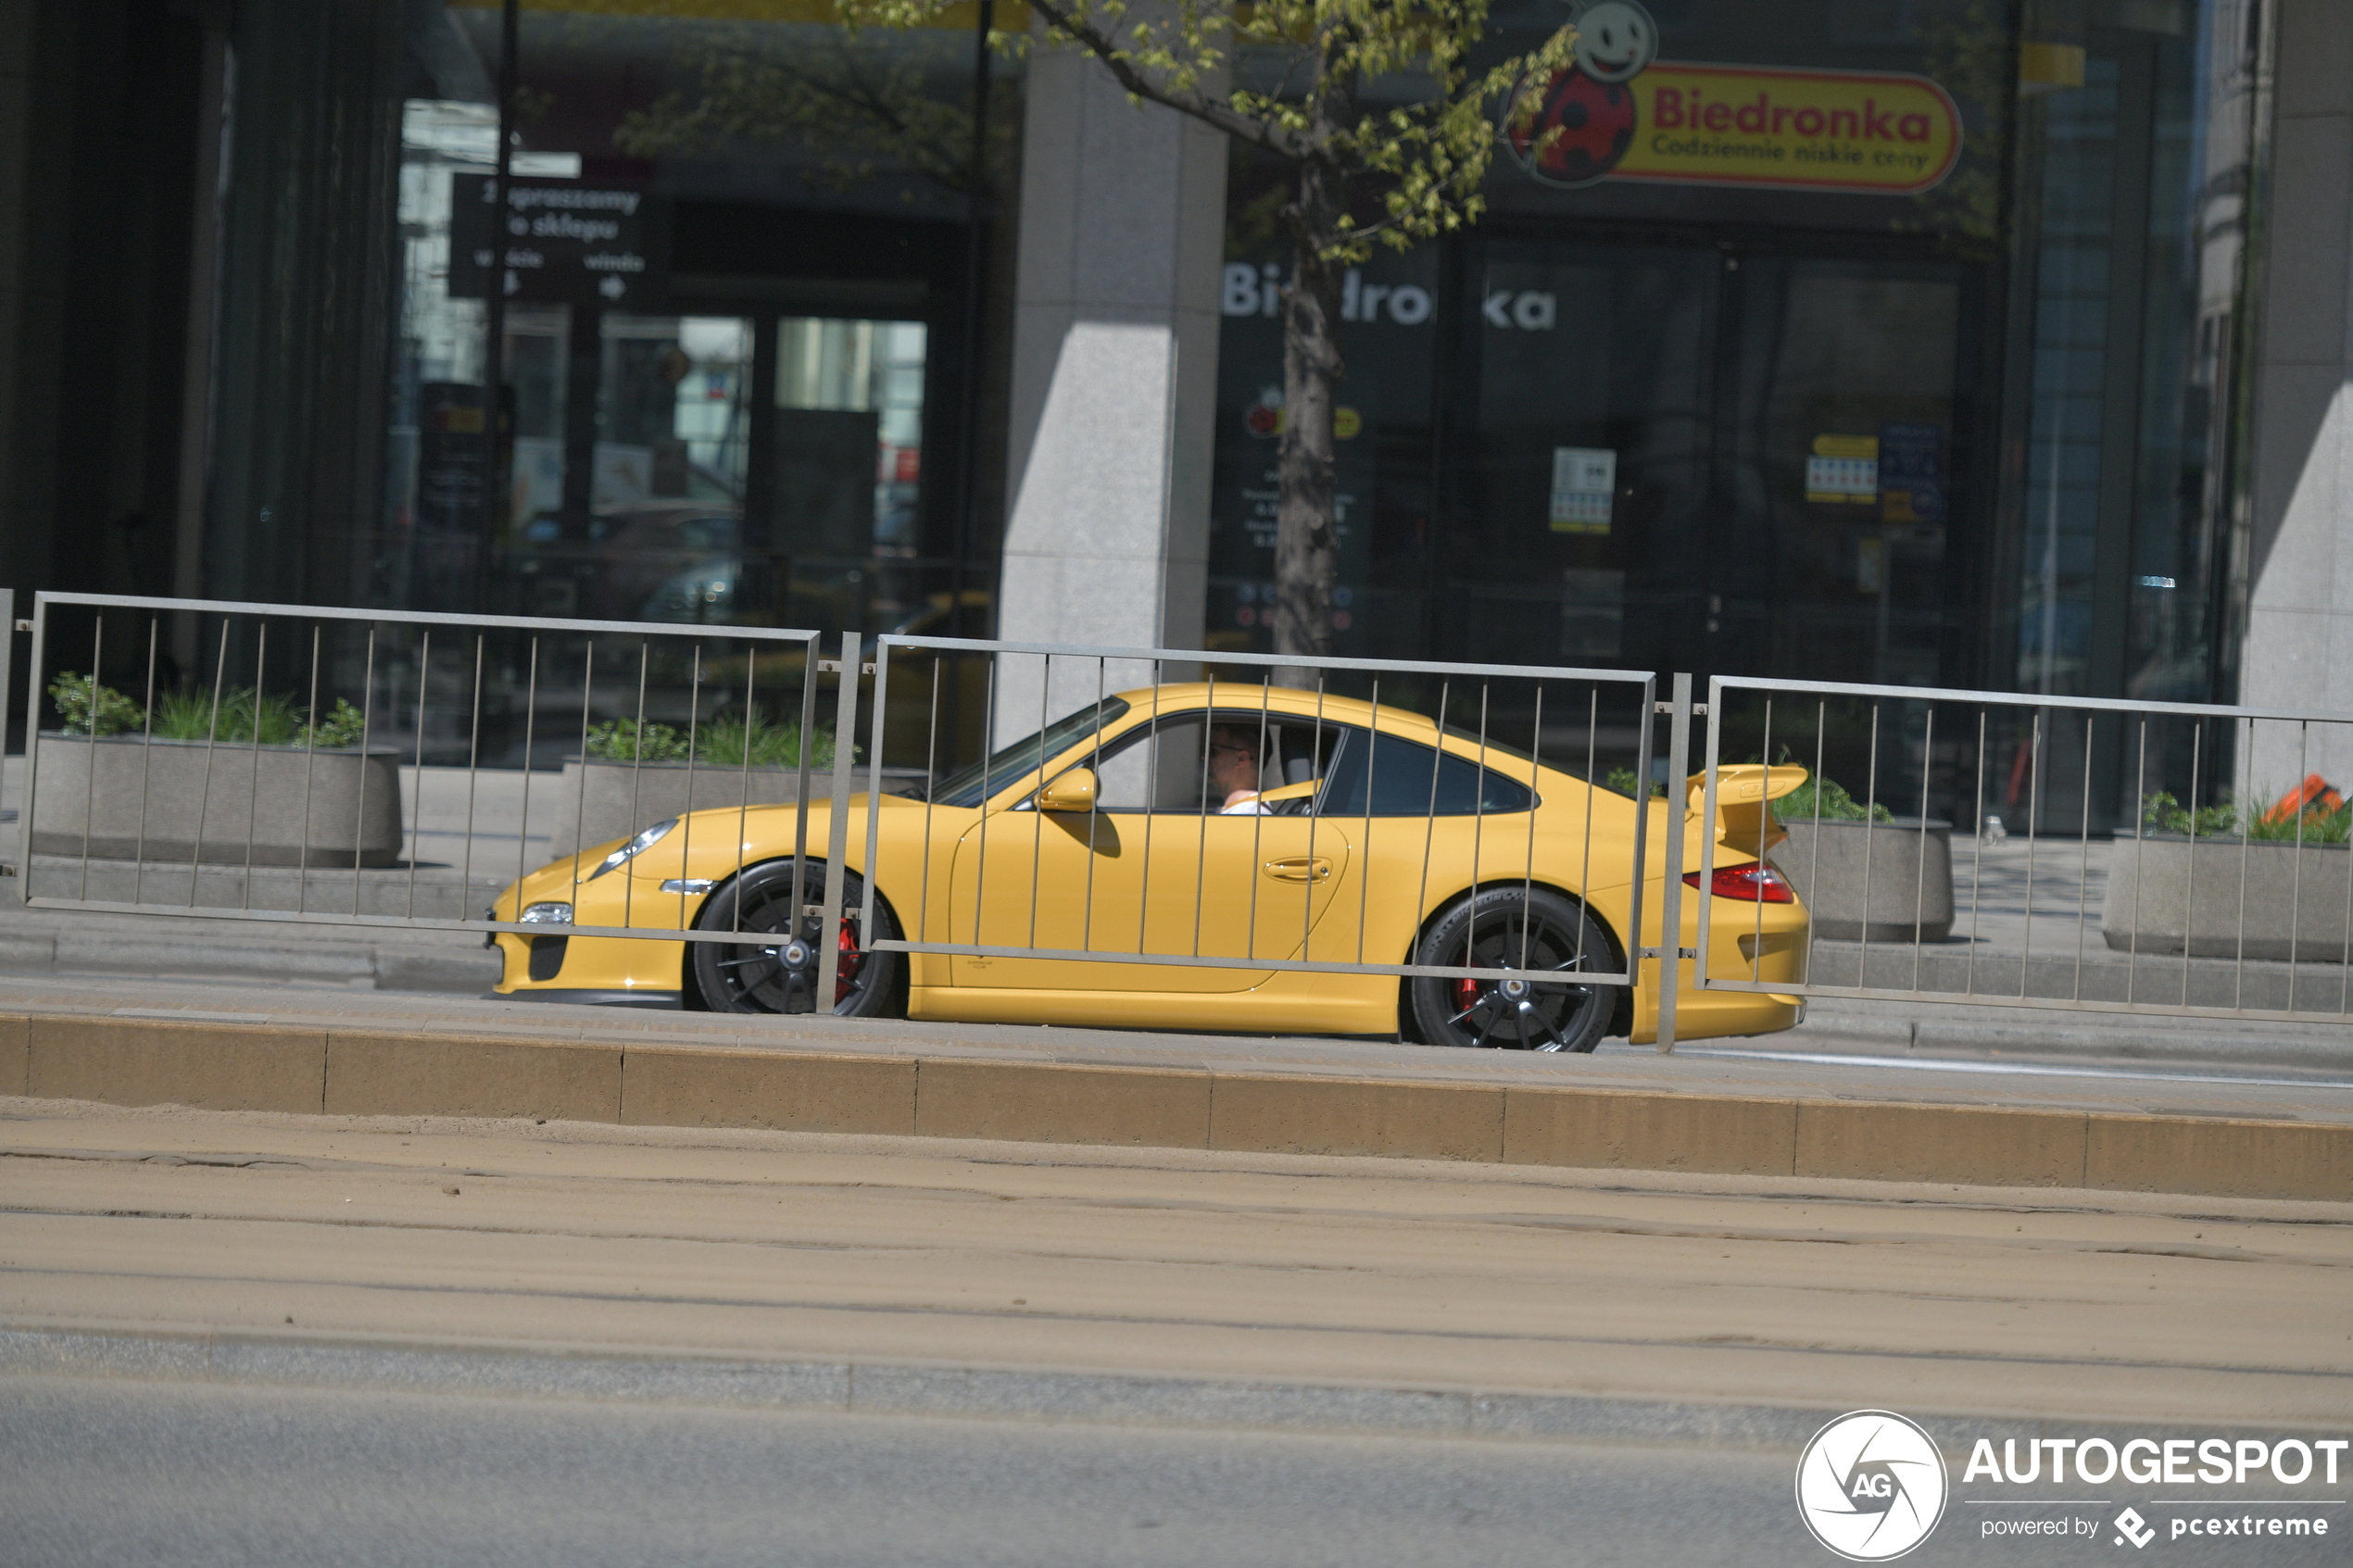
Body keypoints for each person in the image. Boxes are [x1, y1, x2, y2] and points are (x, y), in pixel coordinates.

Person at [1207, 725, 1270, 813]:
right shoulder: (1245, 809)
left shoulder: (1247, 811)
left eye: (1212, 751)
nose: (1204, 757)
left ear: (1241, 759)